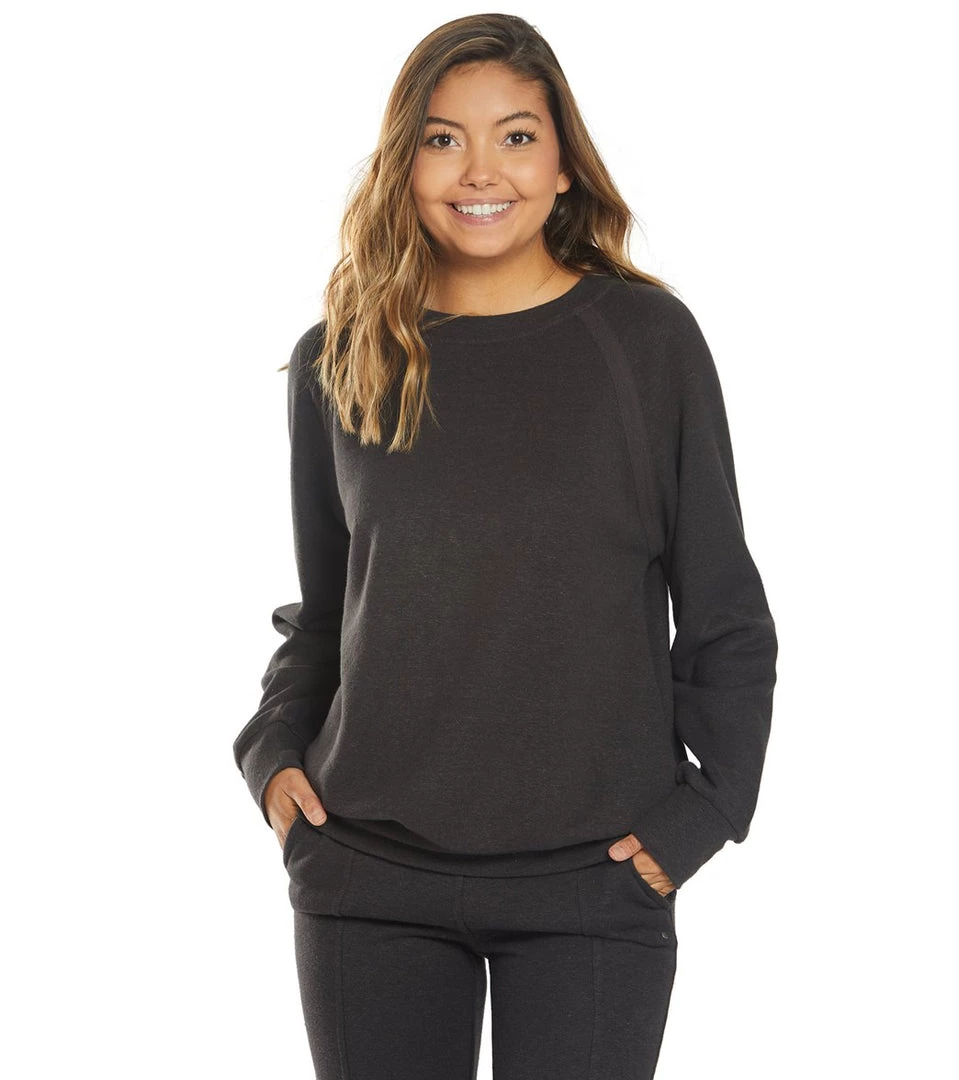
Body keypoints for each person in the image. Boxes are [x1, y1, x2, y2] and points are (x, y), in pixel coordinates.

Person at [232, 13, 778, 1080]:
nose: (479, 171)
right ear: (403, 164)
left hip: (595, 881)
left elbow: (724, 610)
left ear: (563, 164)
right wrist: (272, 756)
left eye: (515, 136)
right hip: (365, 877)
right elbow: (330, 606)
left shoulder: (646, 345)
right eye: (442, 139)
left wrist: (705, 813)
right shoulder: (341, 358)